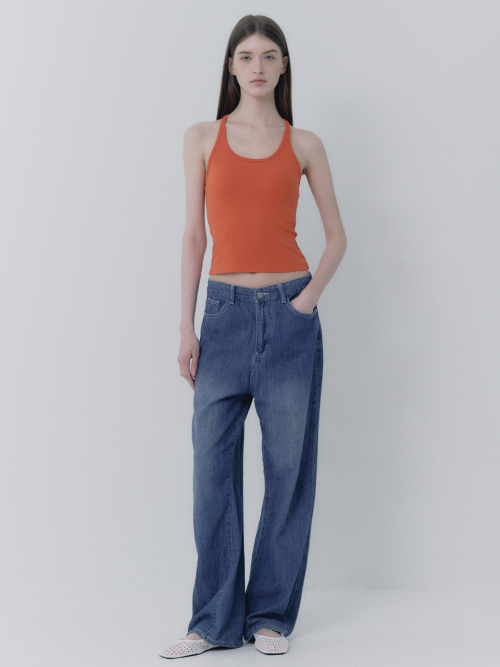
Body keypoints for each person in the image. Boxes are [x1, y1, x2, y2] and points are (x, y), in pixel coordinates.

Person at [160, 14, 347, 660]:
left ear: (283, 65)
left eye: (269, 55)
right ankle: (213, 620)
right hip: (223, 317)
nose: (258, 66)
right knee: (212, 470)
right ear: (231, 66)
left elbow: (337, 237)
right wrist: (185, 325)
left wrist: (304, 303)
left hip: (290, 319)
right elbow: (194, 236)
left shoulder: (305, 144)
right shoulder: (201, 137)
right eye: (246, 55)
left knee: (288, 468)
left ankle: (269, 615)